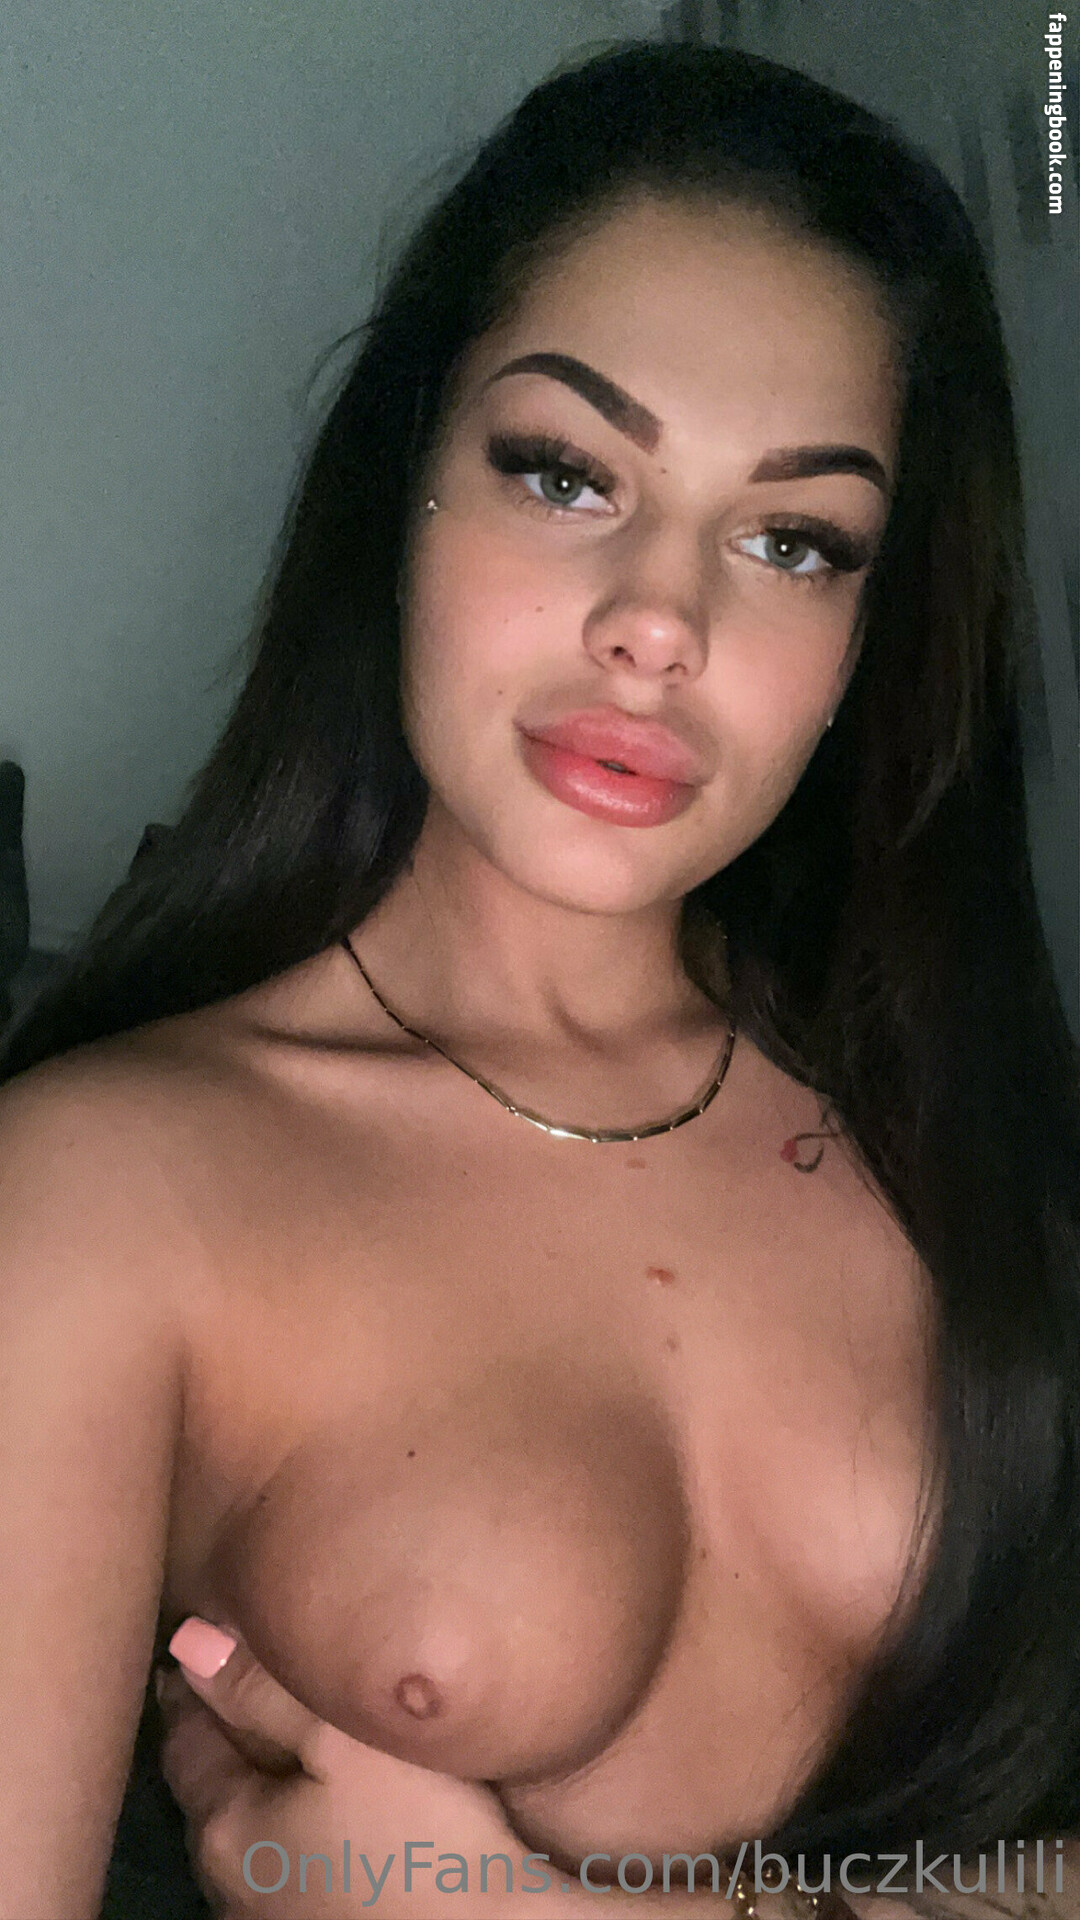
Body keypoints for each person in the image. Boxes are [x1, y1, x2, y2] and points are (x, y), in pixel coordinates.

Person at [0, 38, 1077, 1920]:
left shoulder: (962, 1120)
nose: (661, 619)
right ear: (405, 484)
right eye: (567, 474)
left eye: (793, 540)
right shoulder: (102, 1190)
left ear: (869, 635)